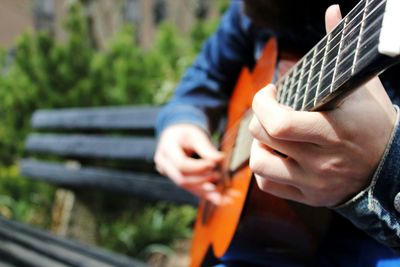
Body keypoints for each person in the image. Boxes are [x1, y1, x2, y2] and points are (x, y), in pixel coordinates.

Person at [155, 0, 400, 266]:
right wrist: (181, 121)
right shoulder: (252, 8)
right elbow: (205, 75)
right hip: (270, 236)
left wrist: (385, 166)